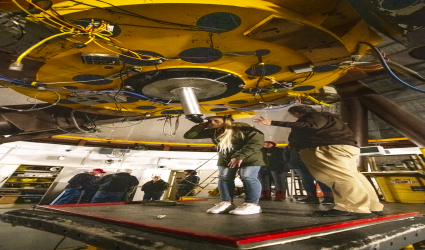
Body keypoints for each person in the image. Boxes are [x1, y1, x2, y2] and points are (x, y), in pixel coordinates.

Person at [254, 105, 384, 217]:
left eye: (293, 114)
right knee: (353, 176)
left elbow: (311, 126)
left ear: (298, 112)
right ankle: (372, 206)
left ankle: (354, 207)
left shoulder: (314, 117)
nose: (294, 117)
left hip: (326, 148)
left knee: (338, 177)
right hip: (344, 147)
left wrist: (272, 122)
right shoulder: (331, 119)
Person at [184, 115, 265, 215]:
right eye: (210, 120)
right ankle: (226, 203)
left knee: (248, 177)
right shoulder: (213, 131)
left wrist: (240, 156)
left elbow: (256, 141)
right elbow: (189, 135)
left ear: (226, 120)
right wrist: (201, 125)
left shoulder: (241, 128)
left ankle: (252, 205)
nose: (212, 122)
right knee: (224, 178)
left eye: (216, 120)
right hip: (227, 157)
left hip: (250, 157)